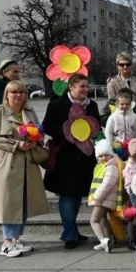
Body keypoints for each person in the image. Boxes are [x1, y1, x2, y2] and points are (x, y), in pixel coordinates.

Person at [0, 79, 50, 257]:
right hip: (6, 164)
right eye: (14, 92)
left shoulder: (29, 112)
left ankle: (17, 239)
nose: (18, 95)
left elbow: (39, 132)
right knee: (9, 203)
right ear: (7, 94)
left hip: (28, 163)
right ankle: (7, 242)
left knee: (24, 201)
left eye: (21, 92)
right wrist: (15, 144)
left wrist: (36, 139)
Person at [43, 74, 100, 249]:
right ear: (71, 88)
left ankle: (72, 229)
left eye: (86, 86)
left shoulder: (92, 105)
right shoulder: (57, 105)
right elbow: (47, 126)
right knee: (68, 194)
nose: (85, 89)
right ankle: (69, 234)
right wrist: (66, 132)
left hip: (85, 156)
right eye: (81, 86)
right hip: (65, 156)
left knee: (77, 194)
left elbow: (96, 125)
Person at [89, 140, 123, 253]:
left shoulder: (111, 166)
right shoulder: (104, 166)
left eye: (106, 155)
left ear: (111, 154)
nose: (103, 158)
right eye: (100, 156)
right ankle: (108, 241)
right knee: (103, 220)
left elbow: (107, 183)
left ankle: (103, 240)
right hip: (105, 198)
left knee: (94, 220)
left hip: (104, 199)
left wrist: (97, 197)